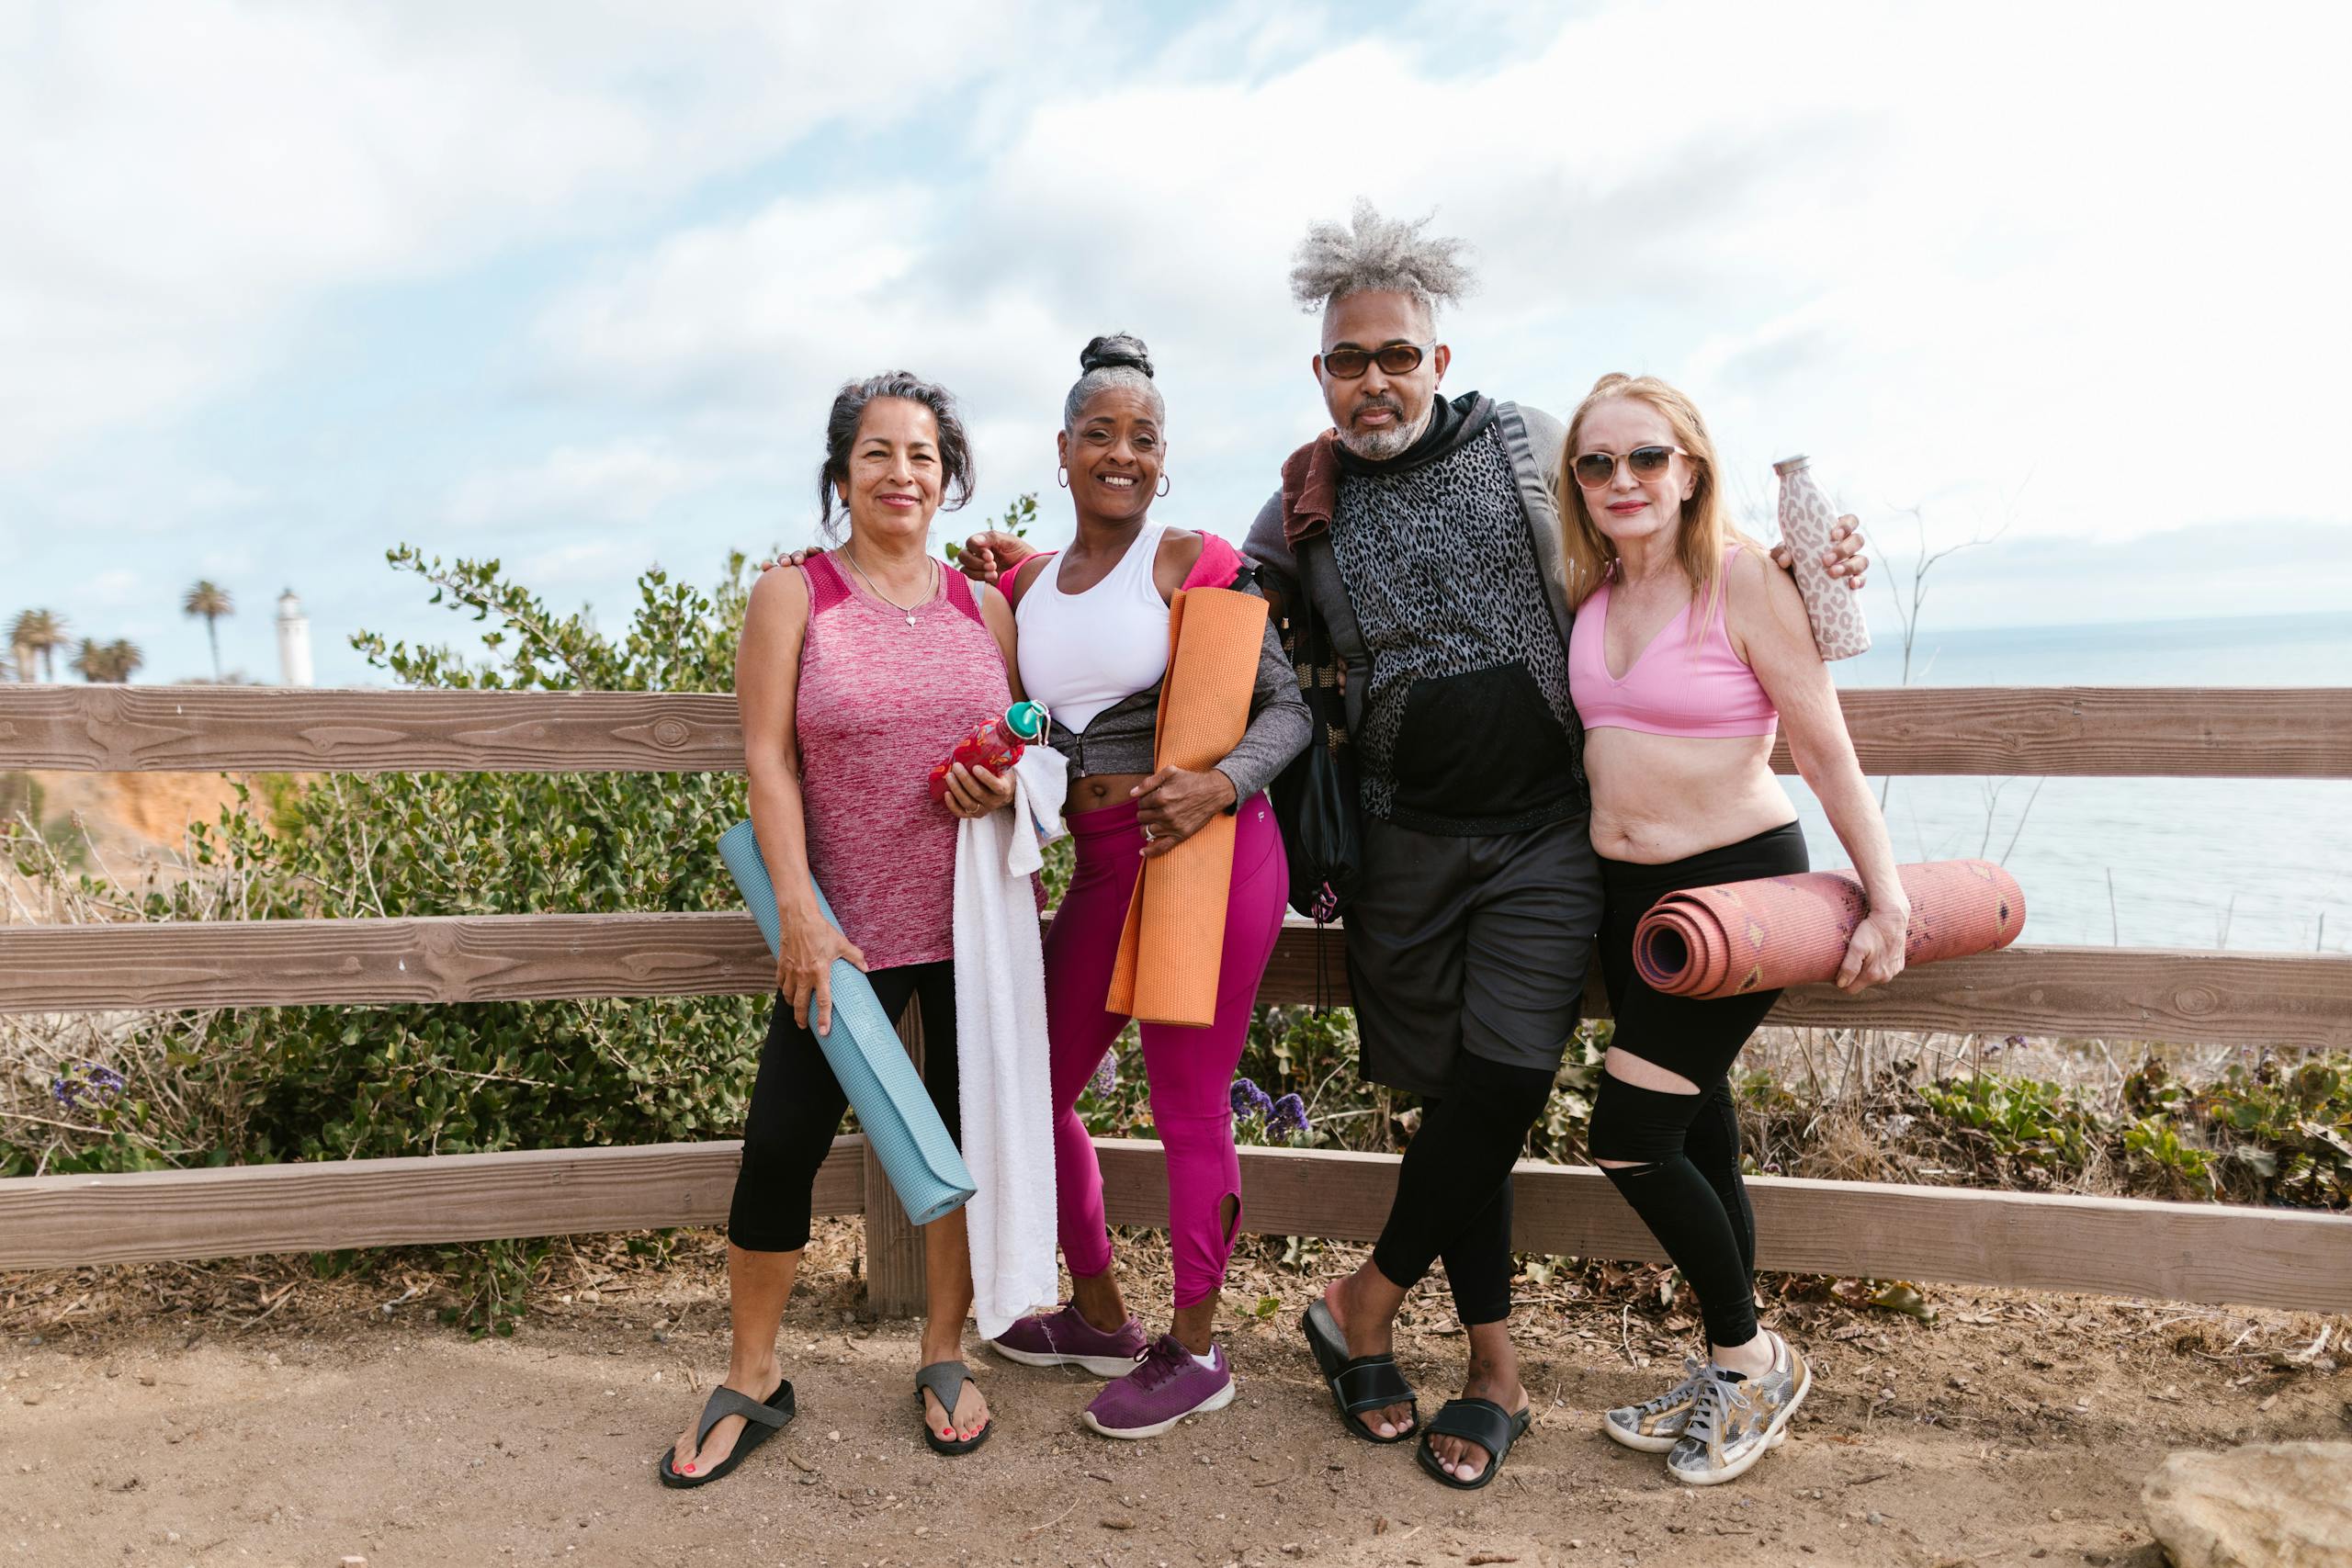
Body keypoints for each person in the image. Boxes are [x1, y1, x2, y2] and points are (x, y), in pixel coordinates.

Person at [1238, 203, 1871, 1490]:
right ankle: (1494, 1358)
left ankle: (1384, 1310)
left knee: (1506, 1079)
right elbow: (1220, 619)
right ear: (1321, 374)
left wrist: (1812, 571)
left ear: (1439, 360)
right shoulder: (1300, 502)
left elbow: (1663, 541)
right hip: (1403, 844)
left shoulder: (1533, 445)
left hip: (1546, 837)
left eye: (1397, 355)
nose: (1375, 381)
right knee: (1450, 1098)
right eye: (1350, 360)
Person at [661, 371, 1023, 1488]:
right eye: (877, 453)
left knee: (962, 1149)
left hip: (972, 926)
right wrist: (802, 909)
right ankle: (755, 1372)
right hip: (839, 932)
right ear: (841, 474)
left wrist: (1001, 791)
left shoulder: (983, 607)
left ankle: (946, 1354)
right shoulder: (793, 595)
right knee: (779, 1144)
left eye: (921, 455)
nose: (900, 473)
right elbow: (767, 757)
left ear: (948, 477)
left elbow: (1019, 754)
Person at [947, 333, 1312, 1438]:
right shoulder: (1023, 586)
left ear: (1164, 460)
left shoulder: (1190, 559)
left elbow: (1287, 711)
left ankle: (1197, 1349)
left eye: (1142, 439)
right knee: (1028, 1090)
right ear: (1061, 452)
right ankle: (1100, 1310)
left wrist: (1217, 783)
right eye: (1099, 434)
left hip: (1210, 853)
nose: (1121, 453)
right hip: (1103, 864)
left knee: (1186, 1102)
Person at [1566, 373, 1904, 1485]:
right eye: (1598, 462)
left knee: (1627, 1137)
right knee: (1698, 1132)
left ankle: (1751, 1359)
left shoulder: (1746, 579)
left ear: (1691, 468)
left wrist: (1885, 894)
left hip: (1731, 897)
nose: (1623, 479)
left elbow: (1822, 746)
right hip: (1627, 900)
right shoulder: (1592, 588)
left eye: (1646, 458)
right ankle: (1729, 1368)